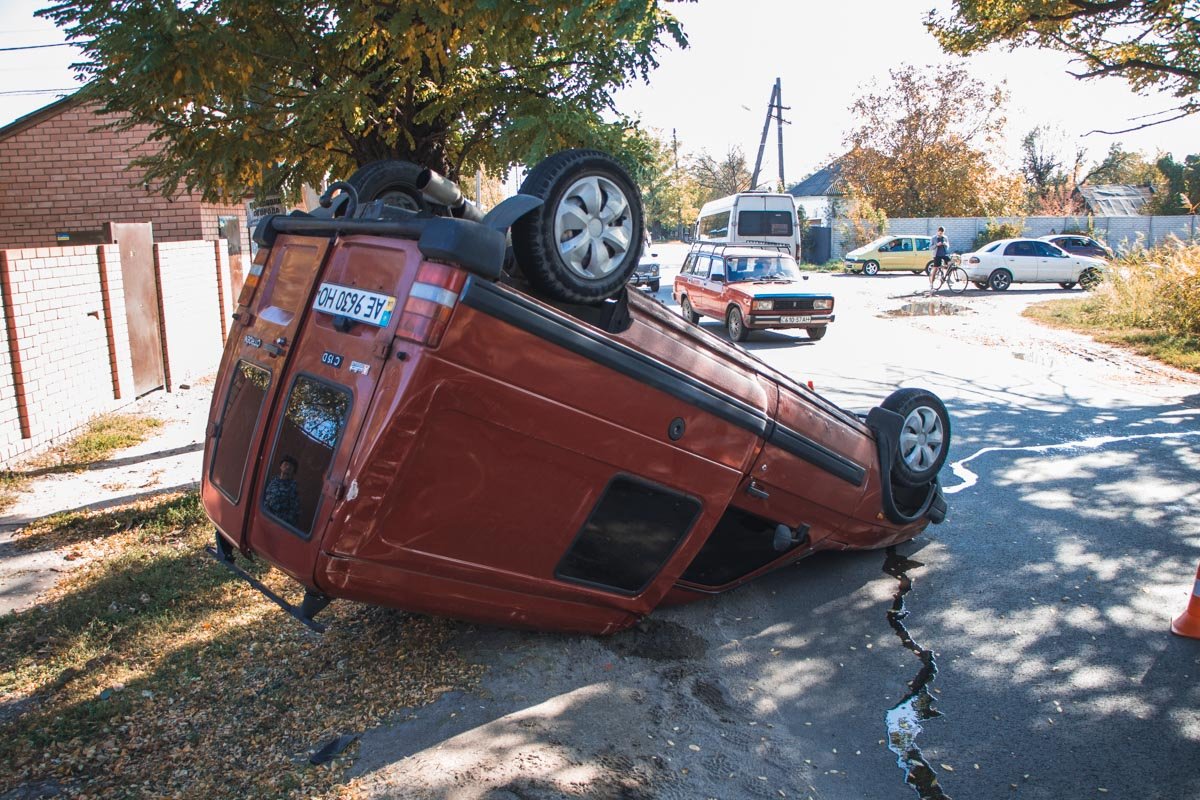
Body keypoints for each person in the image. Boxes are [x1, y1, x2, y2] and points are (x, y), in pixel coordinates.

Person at [263, 455, 301, 526]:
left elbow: (294, 513)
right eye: (286, 464)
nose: (288, 467)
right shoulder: (272, 481)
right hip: (264, 518)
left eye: (291, 466)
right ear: (281, 466)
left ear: (294, 470)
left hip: (278, 524)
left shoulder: (294, 488)